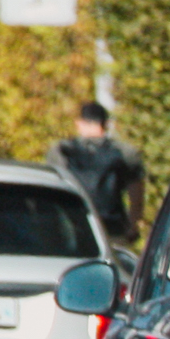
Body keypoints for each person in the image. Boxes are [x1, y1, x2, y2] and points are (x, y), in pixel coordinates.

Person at [49, 101, 146, 246]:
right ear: (106, 124)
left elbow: (51, 191)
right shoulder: (125, 152)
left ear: (79, 123)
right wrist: (133, 225)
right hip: (112, 230)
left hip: (72, 230)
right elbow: (136, 193)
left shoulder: (61, 151)